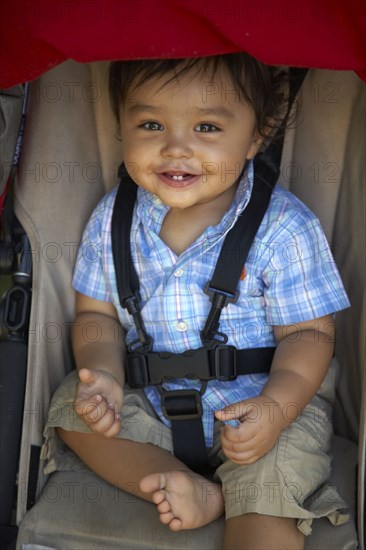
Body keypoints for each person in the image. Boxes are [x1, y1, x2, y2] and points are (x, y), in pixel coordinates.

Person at [45, 52, 350, 550]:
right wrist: (104, 375)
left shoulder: (285, 227)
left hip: (261, 411)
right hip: (152, 405)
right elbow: (95, 315)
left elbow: (309, 335)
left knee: (268, 489)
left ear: (256, 135)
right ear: (121, 123)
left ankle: (241, 507)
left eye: (207, 127)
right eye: (150, 124)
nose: (176, 148)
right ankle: (182, 484)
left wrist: (276, 406)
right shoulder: (112, 219)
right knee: (71, 411)